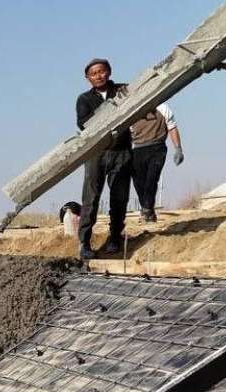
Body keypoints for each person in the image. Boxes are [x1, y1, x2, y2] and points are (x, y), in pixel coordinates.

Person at [76, 58, 132, 260]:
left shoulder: (123, 90)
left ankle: (115, 237)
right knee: (90, 198)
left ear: (109, 72)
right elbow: (84, 123)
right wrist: (108, 112)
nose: (98, 76)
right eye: (94, 73)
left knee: (120, 197)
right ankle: (84, 242)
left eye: (102, 71)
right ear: (87, 78)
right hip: (96, 153)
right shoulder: (84, 99)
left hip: (121, 150)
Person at [131, 102, 184, 222]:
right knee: (139, 183)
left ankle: (147, 209)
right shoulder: (132, 110)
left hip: (157, 148)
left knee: (152, 179)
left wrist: (178, 148)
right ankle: (147, 209)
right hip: (137, 149)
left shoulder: (162, 108)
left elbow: (172, 127)